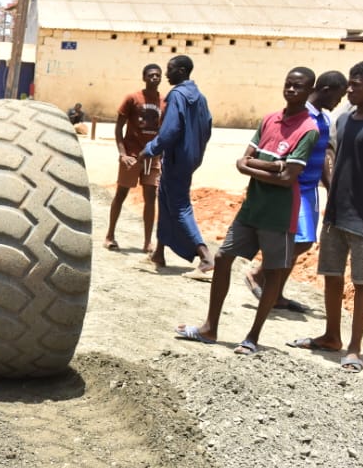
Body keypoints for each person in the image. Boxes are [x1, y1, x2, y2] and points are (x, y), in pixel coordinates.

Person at [175, 67, 321, 355]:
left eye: (299, 87)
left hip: (279, 214)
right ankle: (209, 328)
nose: (291, 90)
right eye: (288, 84)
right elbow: (242, 162)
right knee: (222, 256)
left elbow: (288, 178)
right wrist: (275, 165)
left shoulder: (309, 129)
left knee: (273, 272)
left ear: (308, 92)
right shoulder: (269, 120)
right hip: (252, 207)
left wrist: (261, 167)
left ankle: (252, 337)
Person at [288, 61, 363, 372]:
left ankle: (354, 348)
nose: (349, 89)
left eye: (356, 85)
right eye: (349, 84)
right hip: (337, 215)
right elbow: (335, 156)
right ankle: (331, 336)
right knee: (332, 277)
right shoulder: (343, 119)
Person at [244, 70, 347, 311]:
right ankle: (258, 274)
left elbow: (321, 156)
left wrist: (330, 187)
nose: (339, 102)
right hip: (295, 187)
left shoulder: (323, 119)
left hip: (310, 189)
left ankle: (277, 293)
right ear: (326, 90)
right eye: (338, 96)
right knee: (298, 242)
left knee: (302, 242)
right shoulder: (303, 117)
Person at [142, 55, 215, 272]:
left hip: (175, 159)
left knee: (180, 206)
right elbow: (208, 127)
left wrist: (151, 149)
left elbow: (170, 130)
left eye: (170, 69)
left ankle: (206, 257)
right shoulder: (200, 97)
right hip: (189, 158)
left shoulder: (176, 95)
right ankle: (159, 253)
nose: (166, 74)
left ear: (181, 71)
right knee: (164, 201)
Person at [104, 64, 162, 252]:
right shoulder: (132, 98)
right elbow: (118, 128)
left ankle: (147, 242)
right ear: (144, 77)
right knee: (121, 194)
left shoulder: (165, 101)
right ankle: (110, 235)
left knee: (151, 197)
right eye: (151, 75)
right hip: (132, 156)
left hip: (152, 158)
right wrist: (122, 154)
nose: (155, 78)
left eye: (158, 75)